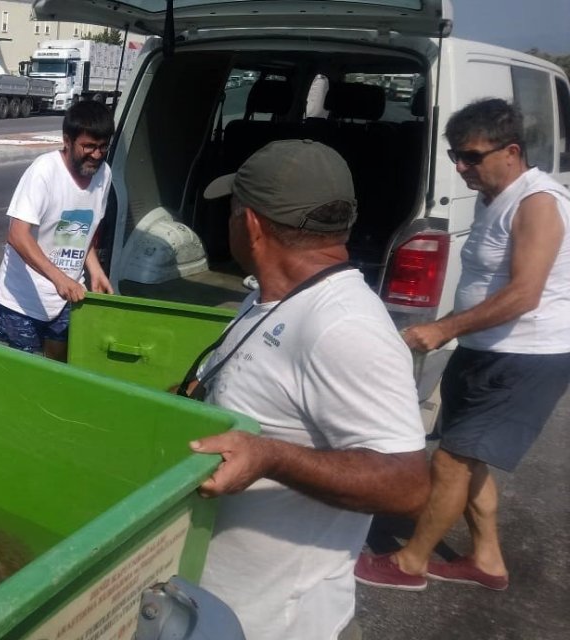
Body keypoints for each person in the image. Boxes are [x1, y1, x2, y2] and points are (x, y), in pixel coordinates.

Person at [187, 139, 429, 639]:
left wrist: (271, 458)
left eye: (233, 211)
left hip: (281, 624)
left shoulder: (343, 325)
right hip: (222, 607)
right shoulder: (272, 296)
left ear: (250, 224)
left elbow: (408, 485)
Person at [355, 99, 570, 592]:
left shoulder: (538, 202)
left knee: (453, 459)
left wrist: (445, 330)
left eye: (471, 157)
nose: (460, 167)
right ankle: (487, 560)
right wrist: (444, 325)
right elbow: (488, 286)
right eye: (456, 155)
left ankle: (411, 563)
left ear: (511, 151)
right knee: (465, 459)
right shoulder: (494, 197)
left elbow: (524, 293)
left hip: (525, 357)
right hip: (484, 347)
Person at [0, 100, 115, 361]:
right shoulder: (44, 172)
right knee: (24, 381)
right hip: (21, 302)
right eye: (89, 146)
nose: (96, 155)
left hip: (67, 299)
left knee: (60, 372)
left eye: (103, 147)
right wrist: (59, 279)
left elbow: (80, 232)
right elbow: (17, 234)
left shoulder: (104, 175)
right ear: (67, 141)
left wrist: (95, 270)